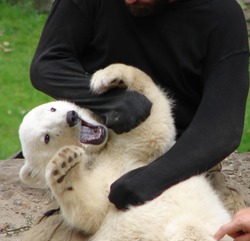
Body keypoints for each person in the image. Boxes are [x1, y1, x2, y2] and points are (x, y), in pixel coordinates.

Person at [29, 0, 249, 210]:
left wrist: (152, 178)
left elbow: (222, 126)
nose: (129, 1)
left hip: (182, 160)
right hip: (98, 156)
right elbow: (48, 64)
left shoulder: (222, 16)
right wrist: (111, 101)